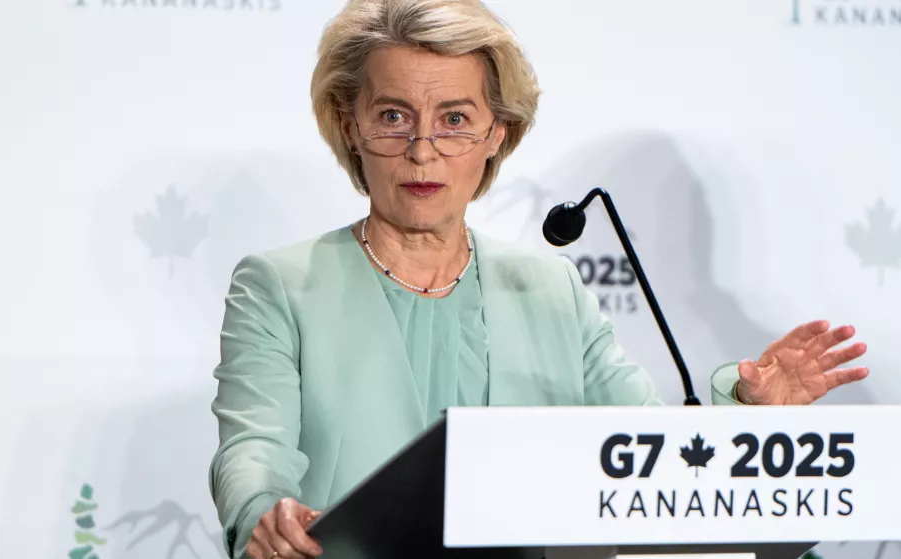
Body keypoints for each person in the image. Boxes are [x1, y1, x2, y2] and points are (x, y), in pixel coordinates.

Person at [207, 1, 870, 558]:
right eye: (393, 116)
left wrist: (750, 422)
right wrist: (267, 513)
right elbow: (253, 447)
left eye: (455, 120)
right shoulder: (280, 285)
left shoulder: (549, 287)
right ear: (350, 125)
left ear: (498, 132)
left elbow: (646, 460)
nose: (423, 148)